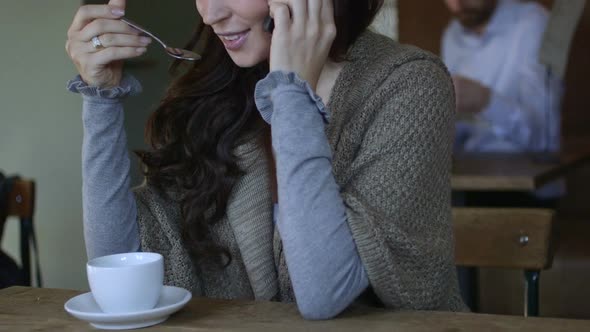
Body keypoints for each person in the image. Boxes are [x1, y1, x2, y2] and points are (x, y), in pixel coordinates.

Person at [65, 0, 466, 319]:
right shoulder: (215, 94)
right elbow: (117, 260)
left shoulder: (410, 84)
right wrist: (101, 98)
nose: (210, 13)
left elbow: (324, 294)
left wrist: (291, 93)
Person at [442, 0, 565, 204]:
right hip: (471, 184)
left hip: (528, 192)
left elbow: (544, 139)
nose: (457, 3)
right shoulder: (452, 33)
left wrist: (485, 100)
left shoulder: (533, 23)